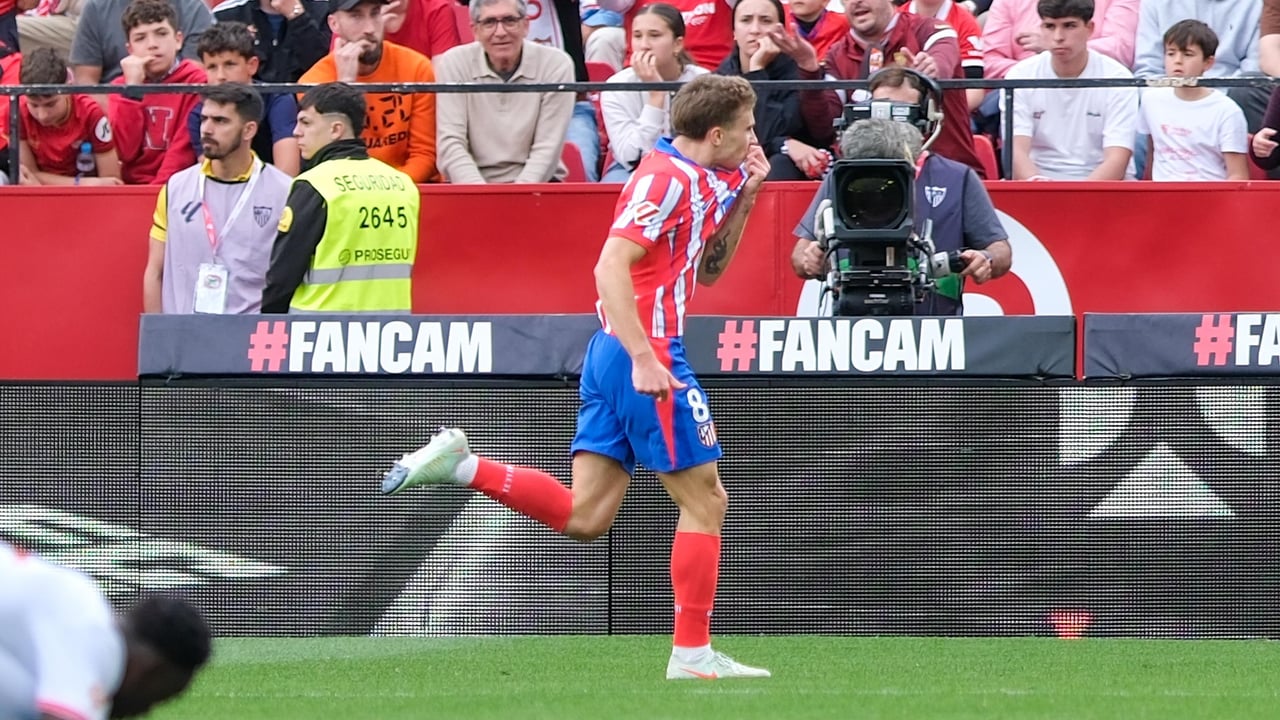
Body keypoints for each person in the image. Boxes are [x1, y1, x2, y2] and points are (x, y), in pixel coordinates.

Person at [380, 74, 772, 681]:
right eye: (746, 128)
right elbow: (609, 264)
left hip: (611, 351)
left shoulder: (702, 176)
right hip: (645, 351)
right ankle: (691, 654)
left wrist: (747, 193)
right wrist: (645, 358)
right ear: (716, 133)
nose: (754, 137)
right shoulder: (666, 180)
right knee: (706, 501)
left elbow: (710, 267)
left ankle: (463, 464)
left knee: (587, 518)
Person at [791, 67, 1011, 315]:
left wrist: (984, 259)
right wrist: (812, 260)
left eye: (902, 114)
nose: (891, 126)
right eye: (881, 112)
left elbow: (1000, 251)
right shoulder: (843, 176)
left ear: (925, 120)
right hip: (852, 326)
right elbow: (800, 256)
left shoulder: (958, 178)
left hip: (935, 330)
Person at [772, 0, 988, 177]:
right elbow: (825, 129)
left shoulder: (932, 30)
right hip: (867, 181)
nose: (856, 2)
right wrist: (809, 69)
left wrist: (931, 68)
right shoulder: (837, 55)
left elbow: (943, 57)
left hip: (947, 177)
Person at [0, 542, 211, 719]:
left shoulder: (84, 602)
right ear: (148, 670)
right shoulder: (95, 640)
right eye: (155, 698)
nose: (145, 712)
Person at [262, 82, 420, 314]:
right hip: (389, 331)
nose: (296, 131)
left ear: (336, 130)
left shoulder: (315, 184)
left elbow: (283, 274)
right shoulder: (403, 185)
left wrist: (267, 320)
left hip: (320, 333)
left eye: (306, 122)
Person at [145, 83, 293, 315]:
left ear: (249, 130)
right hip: (185, 337)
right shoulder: (176, 187)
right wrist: (157, 337)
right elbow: (155, 271)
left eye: (220, 121)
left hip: (250, 339)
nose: (207, 129)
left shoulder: (284, 191)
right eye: (204, 119)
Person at [433, 0, 574, 183]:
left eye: (509, 20)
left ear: (525, 25)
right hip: (470, 188)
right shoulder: (454, 63)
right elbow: (451, 143)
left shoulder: (556, 64)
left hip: (538, 188)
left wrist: (514, 199)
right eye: (489, 22)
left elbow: (548, 147)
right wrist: (483, 198)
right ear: (475, 30)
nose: (500, 32)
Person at [299, 0, 439, 183]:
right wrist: (345, 86)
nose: (370, 28)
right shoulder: (313, 83)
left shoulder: (417, 68)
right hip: (347, 190)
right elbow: (327, 160)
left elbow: (425, 154)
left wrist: (390, 189)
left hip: (407, 188)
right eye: (356, 16)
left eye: (375, 13)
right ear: (334, 24)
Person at [1003, 0, 1136, 181]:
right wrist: (1041, 190)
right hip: (1036, 184)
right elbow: (1015, 152)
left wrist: (1076, 201)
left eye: (1069, 26)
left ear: (1089, 28)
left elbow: (1117, 158)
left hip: (1103, 190)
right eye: (1050, 26)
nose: (1058, 36)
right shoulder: (1019, 76)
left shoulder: (1119, 78)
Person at [714, 0, 828, 181]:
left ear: (781, 31)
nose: (755, 30)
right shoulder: (720, 77)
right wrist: (784, 143)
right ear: (734, 31)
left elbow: (766, 133)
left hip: (787, 168)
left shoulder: (795, 70)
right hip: (733, 161)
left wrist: (756, 70)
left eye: (765, 21)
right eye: (746, 20)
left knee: (780, 165)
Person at [600, 3, 707, 183]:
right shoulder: (617, 86)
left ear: (677, 44)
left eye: (654, 36)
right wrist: (656, 95)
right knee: (615, 182)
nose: (644, 45)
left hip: (694, 166)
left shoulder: (703, 82)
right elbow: (630, 157)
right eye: (637, 36)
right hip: (634, 169)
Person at [108, 0, 208, 185]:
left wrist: (157, 192)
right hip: (132, 189)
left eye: (161, 34)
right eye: (140, 38)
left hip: (179, 187)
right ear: (129, 49)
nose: (152, 45)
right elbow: (125, 152)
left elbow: (183, 150)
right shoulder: (120, 87)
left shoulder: (196, 82)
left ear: (178, 40)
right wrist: (133, 90)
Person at [1138, 19, 1247, 182]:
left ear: (1208, 62)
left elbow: (1238, 175)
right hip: (1162, 199)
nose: (1177, 61)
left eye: (1187, 54)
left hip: (1210, 197)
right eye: (1171, 53)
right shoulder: (1150, 100)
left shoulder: (1227, 111)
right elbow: (1152, 153)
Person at [188, 22, 300, 175]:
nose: (220, 76)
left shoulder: (278, 100)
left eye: (229, 65)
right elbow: (213, 173)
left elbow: (288, 173)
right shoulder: (199, 114)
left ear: (252, 66)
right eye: (212, 67)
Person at [16, 47, 122, 186]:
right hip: (43, 195)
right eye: (34, 105)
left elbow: (112, 182)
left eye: (50, 104)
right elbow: (28, 174)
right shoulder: (16, 112)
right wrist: (82, 183)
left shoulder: (92, 114)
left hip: (86, 199)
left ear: (68, 88)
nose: (42, 116)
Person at [212, 0, 332, 83]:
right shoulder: (225, 14)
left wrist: (298, 17)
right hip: (246, 105)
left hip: (308, 105)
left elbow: (321, 67)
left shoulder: (325, 9)